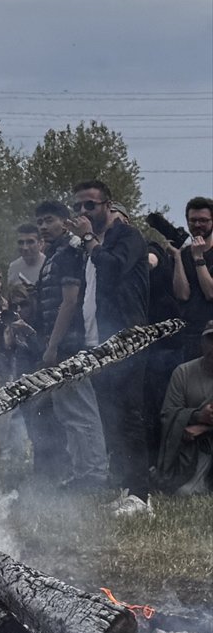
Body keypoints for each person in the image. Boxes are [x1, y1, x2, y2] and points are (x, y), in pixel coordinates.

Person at [67, 180, 151, 499]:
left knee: (130, 414)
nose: (83, 212)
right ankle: (121, 485)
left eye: (90, 205)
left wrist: (88, 237)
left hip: (127, 337)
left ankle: (140, 493)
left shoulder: (127, 237)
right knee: (109, 417)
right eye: (79, 207)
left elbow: (113, 269)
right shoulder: (88, 246)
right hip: (96, 341)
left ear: (107, 205)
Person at [25, 200, 108, 490]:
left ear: (64, 221)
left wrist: (53, 347)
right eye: (40, 222)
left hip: (71, 344)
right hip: (59, 343)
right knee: (66, 411)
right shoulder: (55, 254)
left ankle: (94, 473)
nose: (43, 227)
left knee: (80, 410)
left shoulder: (70, 252)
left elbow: (70, 302)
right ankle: (82, 470)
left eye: (49, 220)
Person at [156, 321, 213, 495]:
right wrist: (197, 416)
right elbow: (168, 415)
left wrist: (202, 427)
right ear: (202, 343)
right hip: (192, 450)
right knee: (184, 492)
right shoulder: (183, 372)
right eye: (210, 340)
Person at [168, 197, 213, 361]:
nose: (198, 225)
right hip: (188, 333)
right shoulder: (184, 254)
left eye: (203, 220)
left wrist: (199, 257)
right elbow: (182, 294)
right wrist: (178, 257)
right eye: (193, 220)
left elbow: (210, 293)